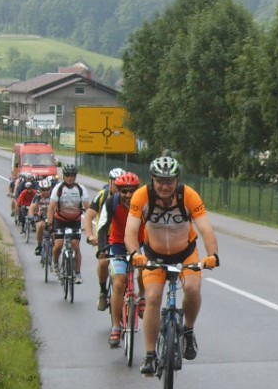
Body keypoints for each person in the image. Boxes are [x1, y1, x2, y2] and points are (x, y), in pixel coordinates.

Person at [123, 156, 219, 375]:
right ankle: (149, 356)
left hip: (185, 253)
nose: (165, 186)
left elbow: (205, 229)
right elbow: (130, 231)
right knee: (153, 297)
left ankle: (187, 331)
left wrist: (212, 254)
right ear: (152, 179)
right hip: (153, 255)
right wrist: (134, 253)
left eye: (170, 181)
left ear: (177, 180)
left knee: (193, 289)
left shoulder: (188, 195)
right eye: (160, 181)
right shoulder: (142, 195)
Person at [89, 172, 145, 347]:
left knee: (144, 269)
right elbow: (103, 226)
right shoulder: (111, 202)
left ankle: (142, 297)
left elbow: (152, 224)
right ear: (118, 191)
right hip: (118, 244)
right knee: (119, 282)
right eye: (124, 191)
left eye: (131, 191)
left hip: (139, 243)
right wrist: (103, 249)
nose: (128, 195)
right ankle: (115, 327)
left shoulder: (145, 203)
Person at [83, 167, 125, 311]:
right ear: (110, 182)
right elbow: (88, 217)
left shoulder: (129, 197)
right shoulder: (102, 196)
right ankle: (103, 291)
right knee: (103, 262)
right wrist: (90, 235)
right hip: (105, 236)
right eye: (116, 183)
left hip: (123, 237)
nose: (119, 187)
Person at [46, 164, 90, 283]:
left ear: (75, 177)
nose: (70, 178)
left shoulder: (80, 189)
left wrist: (88, 226)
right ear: (64, 176)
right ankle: (55, 263)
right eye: (67, 175)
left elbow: (88, 210)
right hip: (60, 220)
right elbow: (51, 209)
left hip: (75, 221)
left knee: (75, 245)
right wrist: (50, 225)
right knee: (59, 244)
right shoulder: (58, 189)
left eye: (72, 175)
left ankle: (77, 273)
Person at [29, 179, 54, 254]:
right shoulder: (37, 195)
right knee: (40, 226)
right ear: (40, 189)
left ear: (50, 188)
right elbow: (32, 206)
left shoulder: (54, 195)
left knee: (55, 234)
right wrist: (31, 216)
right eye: (43, 189)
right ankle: (39, 245)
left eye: (47, 189)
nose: (45, 191)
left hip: (52, 216)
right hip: (41, 216)